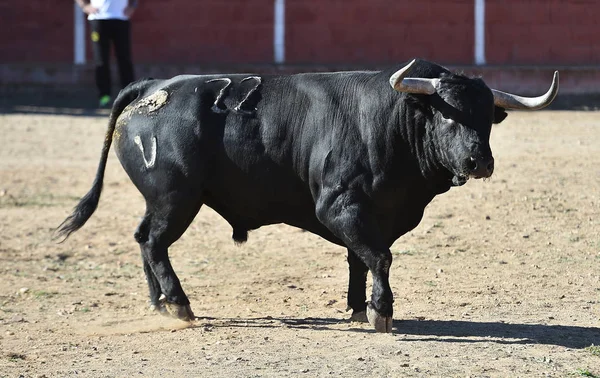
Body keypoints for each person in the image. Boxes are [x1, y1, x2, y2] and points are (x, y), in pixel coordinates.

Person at [75, 0, 138, 107]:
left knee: (125, 60)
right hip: (99, 20)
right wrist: (85, 6)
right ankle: (104, 96)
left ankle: (129, 96)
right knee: (101, 61)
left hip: (121, 19)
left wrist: (132, 6)